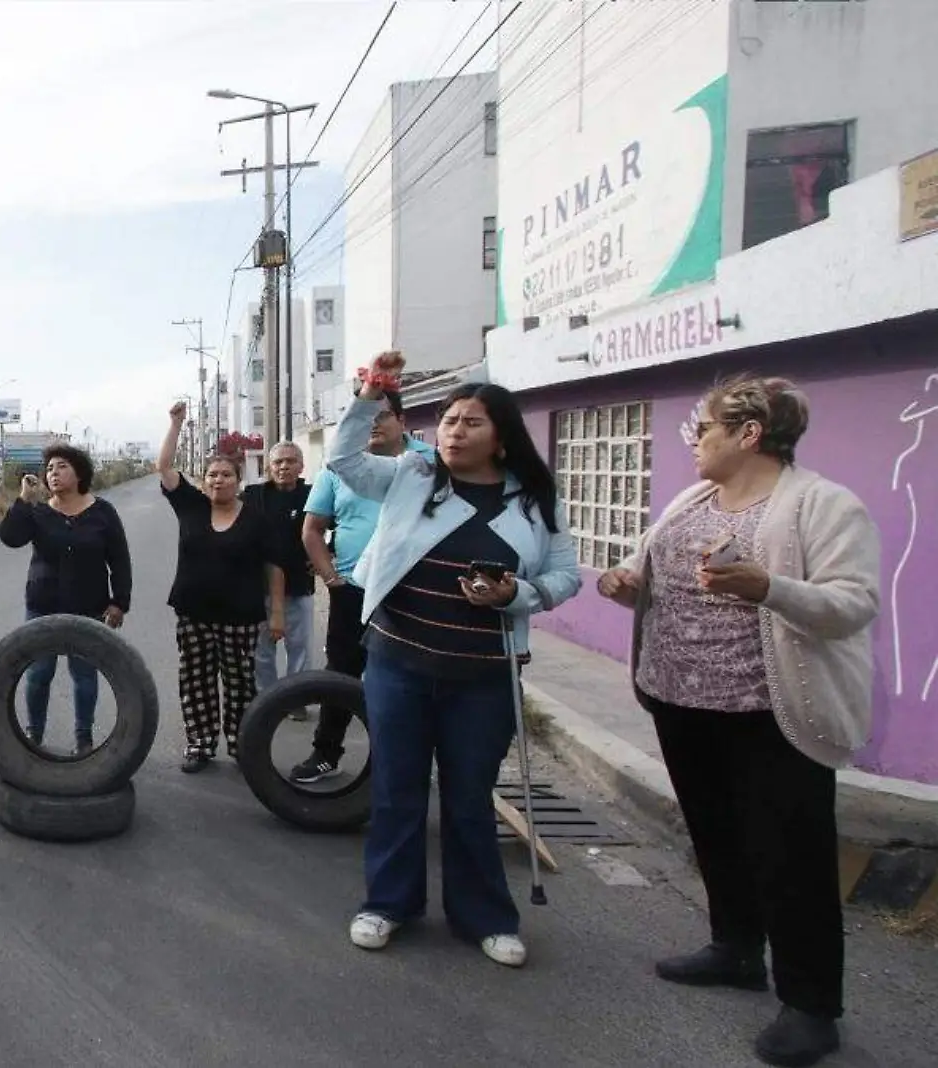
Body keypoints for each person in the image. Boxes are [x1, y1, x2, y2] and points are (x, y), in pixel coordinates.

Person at [596, 376, 878, 1068]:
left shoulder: (822, 504)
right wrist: (626, 578)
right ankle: (735, 949)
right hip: (680, 702)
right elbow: (650, 557)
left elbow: (854, 602)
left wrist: (767, 587)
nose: (697, 441)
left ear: (750, 434)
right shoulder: (694, 497)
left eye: (709, 429)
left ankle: (812, 1007)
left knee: (792, 857)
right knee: (716, 834)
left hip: (770, 715)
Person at [331, 351, 580, 970]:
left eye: (470, 422)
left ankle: (486, 918)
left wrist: (516, 594)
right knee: (397, 789)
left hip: (485, 676)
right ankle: (389, 903)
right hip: (398, 664)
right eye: (447, 421)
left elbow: (566, 574)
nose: (453, 431)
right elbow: (342, 461)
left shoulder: (535, 499)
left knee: (469, 797)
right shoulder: (411, 476)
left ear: (501, 436)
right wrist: (369, 393)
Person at [293, 389, 436, 784]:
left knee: (406, 680)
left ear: (402, 421)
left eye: (383, 415)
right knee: (341, 674)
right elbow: (312, 531)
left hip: (412, 594)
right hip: (352, 591)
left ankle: (398, 766)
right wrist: (332, 580)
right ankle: (326, 753)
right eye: (366, 415)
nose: (374, 422)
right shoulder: (337, 470)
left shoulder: (429, 465)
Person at [157, 401, 282, 773]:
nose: (218, 480)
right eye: (212, 474)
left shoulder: (257, 518)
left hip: (240, 617)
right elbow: (163, 467)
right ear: (203, 480)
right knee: (195, 681)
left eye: (226, 474)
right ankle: (200, 743)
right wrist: (176, 423)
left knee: (241, 684)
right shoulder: (191, 506)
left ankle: (243, 746)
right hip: (193, 614)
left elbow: (274, 566)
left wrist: (276, 612)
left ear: (238, 480)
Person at [0, 442, 133, 755]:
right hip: (42, 607)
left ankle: (83, 739)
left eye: (61, 466)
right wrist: (23, 500)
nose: (53, 473)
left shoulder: (103, 512)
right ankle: (34, 735)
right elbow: (10, 538)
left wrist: (119, 602)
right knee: (38, 673)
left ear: (79, 472)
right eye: (49, 468)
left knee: (84, 674)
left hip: (88, 607)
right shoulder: (39, 511)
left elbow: (120, 560)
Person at [241, 441, 315, 695]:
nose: (284, 466)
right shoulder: (253, 496)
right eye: (278, 462)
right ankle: (268, 698)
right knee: (261, 650)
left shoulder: (313, 495)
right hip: (258, 586)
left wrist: (325, 556)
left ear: (301, 466)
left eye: (290, 461)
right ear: (269, 467)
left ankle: (296, 698)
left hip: (299, 585)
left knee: (300, 647)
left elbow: (338, 525)